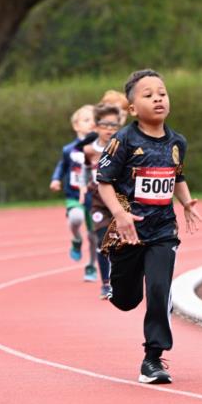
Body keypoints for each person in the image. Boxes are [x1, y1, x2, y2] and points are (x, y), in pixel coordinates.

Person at [96, 68, 202, 384]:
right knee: (126, 300)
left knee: (159, 289)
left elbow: (177, 176)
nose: (158, 98)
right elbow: (104, 182)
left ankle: (153, 358)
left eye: (162, 93)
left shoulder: (177, 142)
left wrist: (186, 202)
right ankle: (116, 280)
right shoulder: (123, 140)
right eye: (148, 94)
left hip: (163, 231)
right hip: (129, 232)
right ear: (131, 108)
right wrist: (121, 214)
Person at [49, 104, 97, 279]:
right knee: (76, 217)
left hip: (95, 198)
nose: (92, 123)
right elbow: (62, 166)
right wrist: (55, 179)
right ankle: (76, 239)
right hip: (74, 195)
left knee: (94, 236)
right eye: (86, 120)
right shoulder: (69, 150)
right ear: (76, 126)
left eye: (95, 119)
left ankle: (91, 265)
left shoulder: (101, 148)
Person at [82, 102, 122, 298]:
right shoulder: (89, 150)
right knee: (102, 240)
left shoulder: (123, 148)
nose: (109, 129)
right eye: (105, 125)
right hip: (98, 204)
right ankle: (106, 283)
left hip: (121, 201)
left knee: (122, 243)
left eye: (114, 125)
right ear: (96, 126)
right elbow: (84, 169)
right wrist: (84, 186)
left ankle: (122, 279)